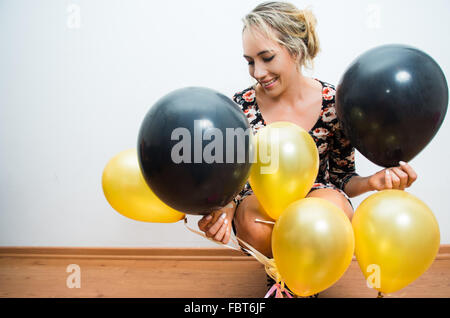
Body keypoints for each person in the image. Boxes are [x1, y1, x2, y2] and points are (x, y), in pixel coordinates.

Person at [197, 0, 418, 294]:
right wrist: (223, 208)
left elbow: (342, 177)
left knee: (331, 208)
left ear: (296, 50)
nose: (258, 72)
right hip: (263, 204)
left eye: (267, 57)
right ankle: (283, 278)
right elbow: (233, 178)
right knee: (254, 222)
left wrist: (373, 182)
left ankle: (305, 277)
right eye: (250, 61)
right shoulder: (240, 107)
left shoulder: (334, 103)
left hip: (318, 199)